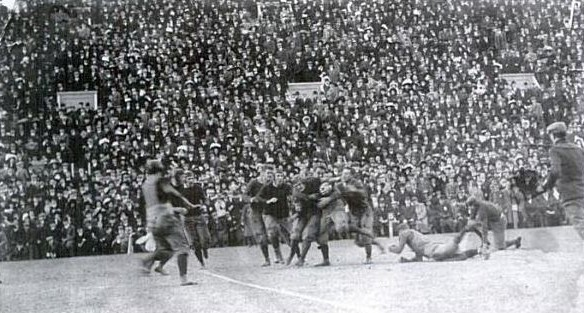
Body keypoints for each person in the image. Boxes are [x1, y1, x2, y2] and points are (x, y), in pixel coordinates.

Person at [140, 159, 197, 286]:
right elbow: (173, 192)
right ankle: (184, 279)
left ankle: (147, 260)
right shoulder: (161, 181)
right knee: (183, 248)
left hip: (152, 220)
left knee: (167, 250)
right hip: (165, 218)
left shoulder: (145, 184)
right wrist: (188, 204)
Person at [536, 122, 584, 240]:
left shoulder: (555, 150)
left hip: (570, 194)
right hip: (582, 189)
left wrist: (545, 186)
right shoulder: (577, 148)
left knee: (580, 225)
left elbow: (555, 171)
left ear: (553, 135)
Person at [335, 168, 385, 264]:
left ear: (351, 175)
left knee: (365, 233)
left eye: (347, 173)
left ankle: (369, 258)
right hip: (354, 212)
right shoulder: (339, 185)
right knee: (358, 242)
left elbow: (364, 193)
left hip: (365, 210)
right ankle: (376, 242)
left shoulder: (356, 183)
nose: (344, 175)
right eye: (343, 173)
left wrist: (355, 191)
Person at [388, 223, 481, 262]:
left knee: (454, 247)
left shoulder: (405, 233)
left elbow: (399, 250)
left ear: (401, 230)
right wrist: (407, 261)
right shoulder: (415, 236)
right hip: (436, 250)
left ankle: (465, 229)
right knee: (459, 256)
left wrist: (390, 248)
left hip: (436, 251)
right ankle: (479, 250)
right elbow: (418, 258)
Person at [257, 170, 293, 264]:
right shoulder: (267, 187)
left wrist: (292, 199)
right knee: (273, 232)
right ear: (274, 177)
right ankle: (278, 255)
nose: (280, 178)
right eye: (278, 175)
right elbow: (259, 198)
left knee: (291, 235)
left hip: (283, 214)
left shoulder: (287, 187)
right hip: (270, 213)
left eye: (281, 176)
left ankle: (298, 255)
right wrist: (268, 201)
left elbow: (293, 195)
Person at [175, 170, 209, 268]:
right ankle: (201, 262)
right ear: (185, 179)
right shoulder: (181, 190)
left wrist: (205, 205)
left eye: (193, 178)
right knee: (194, 242)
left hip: (199, 216)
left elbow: (205, 198)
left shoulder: (198, 187)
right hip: (187, 219)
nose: (192, 180)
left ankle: (205, 248)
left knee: (204, 239)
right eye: (189, 178)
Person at [246, 168, 271, 266]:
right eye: (266, 173)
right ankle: (267, 259)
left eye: (269, 174)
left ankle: (297, 256)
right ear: (261, 173)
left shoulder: (271, 183)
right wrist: (250, 199)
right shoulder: (253, 182)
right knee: (262, 236)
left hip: (269, 210)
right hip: (256, 211)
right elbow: (244, 195)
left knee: (277, 232)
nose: (268, 176)